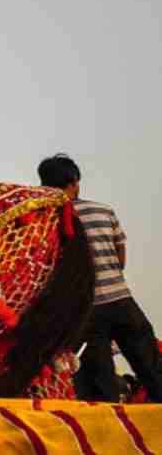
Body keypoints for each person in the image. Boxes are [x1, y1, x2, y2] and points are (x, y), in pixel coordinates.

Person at [39, 154, 162, 402]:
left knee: (98, 382)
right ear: (75, 181)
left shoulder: (43, 220)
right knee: (151, 366)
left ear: (44, 185)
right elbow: (120, 255)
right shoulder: (103, 210)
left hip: (83, 312)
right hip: (121, 301)